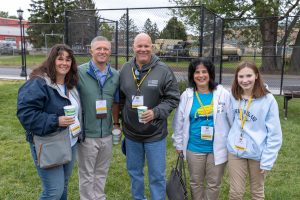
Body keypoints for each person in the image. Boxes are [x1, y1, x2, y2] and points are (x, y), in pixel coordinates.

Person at [120, 33, 180, 200]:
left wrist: (155, 112)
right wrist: (121, 121)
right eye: (139, 46)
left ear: (152, 47)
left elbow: (173, 98)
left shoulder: (163, 70)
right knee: (135, 173)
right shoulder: (125, 69)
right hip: (132, 134)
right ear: (133, 47)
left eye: (146, 46)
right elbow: (121, 97)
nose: (143, 49)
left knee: (157, 176)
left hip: (155, 134)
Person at [17, 44, 80, 200]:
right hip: (48, 145)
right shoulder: (38, 83)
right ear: (52, 60)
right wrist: (56, 120)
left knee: (63, 186)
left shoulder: (70, 84)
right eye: (60, 59)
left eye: (68, 59)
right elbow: (26, 114)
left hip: (70, 142)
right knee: (53, 191)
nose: (64, 63)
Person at [172, 57, 232, 200]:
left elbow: (232, 120)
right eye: (197, 72)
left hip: (217, 148)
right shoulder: (187, 96)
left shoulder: (223, 94)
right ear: (192, 75)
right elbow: (178, 123)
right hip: (194, 147)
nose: (201, 75)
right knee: (195, 183)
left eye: (204, 71)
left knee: (214, 184)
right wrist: (178, 144)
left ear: (210, 74)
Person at [227, 60, 282, 199]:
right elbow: (229, 121)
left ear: (256, 75)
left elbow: (275, 134)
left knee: (257, 192)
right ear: (236, 78)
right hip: (236, 151)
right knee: (235, 193)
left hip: (258, 153)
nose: (245, 80)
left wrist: (267, 160)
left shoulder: (268, 100)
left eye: (249, 76)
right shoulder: (233, 96)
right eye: (241, 76)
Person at [77, 36, 120, 200]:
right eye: (99, 48)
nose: (102, 52)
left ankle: (99, 197)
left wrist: (116, 124)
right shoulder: (79, 72)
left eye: (106, 49)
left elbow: (116, 102)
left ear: (110, 51)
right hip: (87, 134)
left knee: (101, 172)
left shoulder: (115, 75)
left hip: (107, 134)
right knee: (87, 174)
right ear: (91, 51)